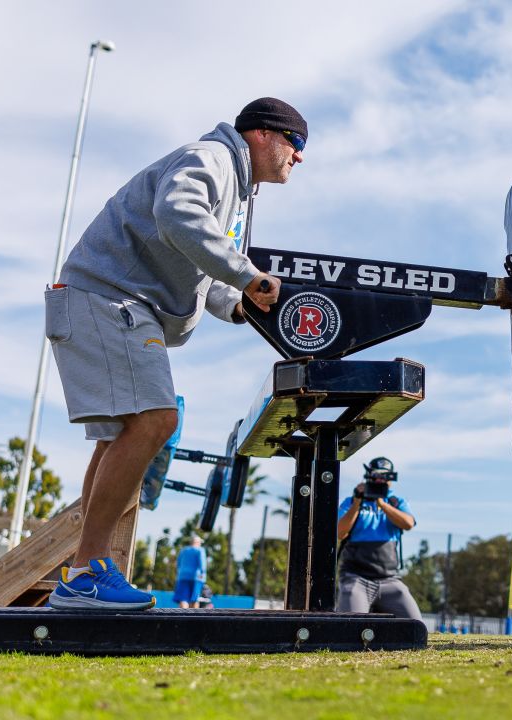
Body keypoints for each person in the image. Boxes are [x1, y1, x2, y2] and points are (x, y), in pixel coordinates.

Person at [46, 98, 305, 611]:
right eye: (296, 145)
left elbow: (199, 264)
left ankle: (89, 570)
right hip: (109, 298)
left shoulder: (235, 190)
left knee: (120, 435)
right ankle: (85, 575)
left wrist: (238, 303)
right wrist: (248, 275)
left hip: (109, 301)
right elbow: (176, 214)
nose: (299, 159)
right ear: (264, 135)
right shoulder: (211, 156)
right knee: (158, 420)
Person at [335, 457, 422, 619]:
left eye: (385, 476)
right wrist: (356, 504)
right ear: (368, 476)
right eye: (377, 475)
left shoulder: (396, 502)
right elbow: (340, 533)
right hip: (356, 578)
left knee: (416, 626)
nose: (380, 480)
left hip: (390, 579)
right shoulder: (351, 501)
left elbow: (408, 523)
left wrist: (382, 503)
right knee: (350, 626)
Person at [173, 535, 208, 608]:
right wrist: (202, 573)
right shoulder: (200, 550)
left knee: (183, 599)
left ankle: (182, 618)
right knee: (194, 599)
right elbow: (202, 564)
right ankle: (194, 619)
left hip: (182, 577)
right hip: (196, 578)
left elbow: (178, 564)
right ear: (198, 542)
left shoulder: (183, 550)